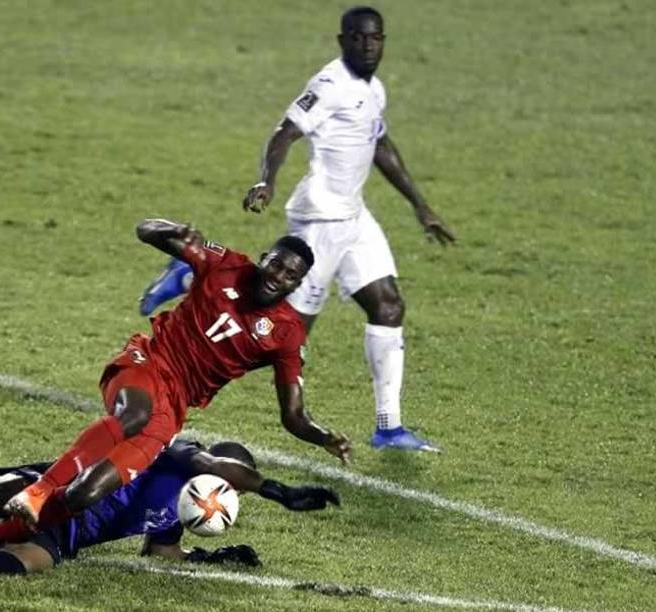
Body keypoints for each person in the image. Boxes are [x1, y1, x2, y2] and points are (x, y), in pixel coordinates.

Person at [138, 7, 454, 452]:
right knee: (280, 330)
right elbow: (284, 133)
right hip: (320, 217)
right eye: (359, 39)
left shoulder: (373, 89)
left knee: (388, 306)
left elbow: (379, 143)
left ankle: (388, 427)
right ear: (343, 40)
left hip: (354, 216)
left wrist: (421, 206)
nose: (368, 47)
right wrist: (266, 179)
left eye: (376, 39)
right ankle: (190, 276)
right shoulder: (328, 85)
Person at [0, 219, 350, 532]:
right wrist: (172, 231)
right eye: (276, 265)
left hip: (174, 406)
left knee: (82, 496)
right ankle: (37, 489)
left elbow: (293, 415)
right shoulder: (225, 264)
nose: (278, 277)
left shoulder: (287, 334)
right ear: (264, 258)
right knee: (135, 414)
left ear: (298, 284)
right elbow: (144, 229)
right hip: (148, 361)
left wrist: (324, 438)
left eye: (291, 275)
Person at [0, 438, 340, 573]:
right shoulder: (179, 456)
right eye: (227, 479)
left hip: (68, 537)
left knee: (19, 568)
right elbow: (214, 463)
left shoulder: (180, 512)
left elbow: (161, 552)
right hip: (57, 490)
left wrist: (210, 558)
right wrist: (277, 491)